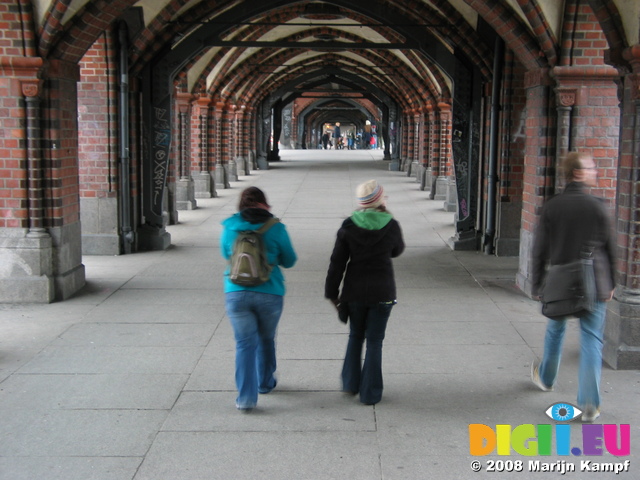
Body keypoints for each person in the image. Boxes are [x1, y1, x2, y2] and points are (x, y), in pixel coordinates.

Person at [530, 151, 616, 422]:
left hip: (559, 280)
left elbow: (539, 250)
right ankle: (590, 402)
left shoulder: (552, 206)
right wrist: (611, 282)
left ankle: (546, 378)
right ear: (577, 173)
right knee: (591, 338)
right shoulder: (598, 206)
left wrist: (537, 283)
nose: (595, 172)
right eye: (590, 168)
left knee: (555, 329)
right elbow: (611, 248)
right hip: (593, 280)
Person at [325, 180, 405, 405]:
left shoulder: (348, 226)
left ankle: (350, 383)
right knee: (375, 342)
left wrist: (332, 292)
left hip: (354, 291)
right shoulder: (391, 225)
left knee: (355, 335)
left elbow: (337, 263)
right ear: (380, 199)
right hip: (383, 291)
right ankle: (370, 393)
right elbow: (397, 251)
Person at [220, 187, 297, 411]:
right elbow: (290, 260)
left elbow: (227, 255)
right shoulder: (276, 227)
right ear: (263, 202)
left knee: (244, 344)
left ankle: (246, 398)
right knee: (266, 338)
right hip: (270, 292)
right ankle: (265, 382)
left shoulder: (229, 227)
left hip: (236, 292)